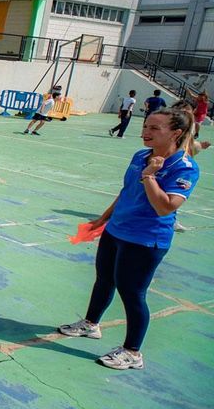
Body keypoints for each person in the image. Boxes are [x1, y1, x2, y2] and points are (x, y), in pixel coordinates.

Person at [57, 108, 199, 371]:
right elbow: (126, 192)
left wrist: (150, 175)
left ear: (176, 133)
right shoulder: (140, 155)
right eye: (146, 126)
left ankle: (133, 352)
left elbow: (165, 207)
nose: (146, 132)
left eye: (155, 128)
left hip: (146, 240)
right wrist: (103, 219)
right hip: (116, 231)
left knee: (133, 293)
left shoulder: (184, 167)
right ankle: (90, 324)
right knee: (103, 280)